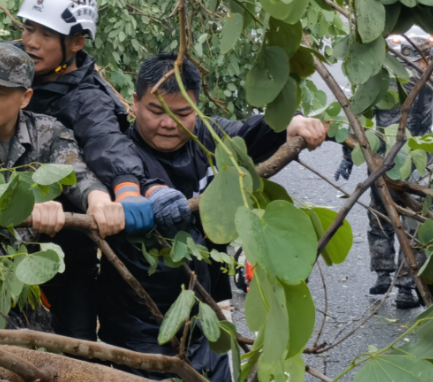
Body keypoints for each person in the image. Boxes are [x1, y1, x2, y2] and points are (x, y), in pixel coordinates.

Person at [0, 0, 171, 338]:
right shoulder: (9, 63)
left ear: (76, 42)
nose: (31, 42)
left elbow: (101, 150)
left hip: (61, 256)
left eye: (46, 34)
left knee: (73, 350)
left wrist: (123, 193)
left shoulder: (86, 99)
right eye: (28, 28)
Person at [96, 53, 327, 380]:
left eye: (182, 113)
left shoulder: (209, 138)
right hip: (136, 323)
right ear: (135, 102)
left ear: (198, 109)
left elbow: (252, 133)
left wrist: (294, 122)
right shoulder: (117, 152)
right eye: (156, 110)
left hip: (208, 311)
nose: (168, 123)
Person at [0, 42, 124, 338]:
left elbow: (75, 171)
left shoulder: (47, 131)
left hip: (37, 284)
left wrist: (98, 201)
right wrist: (24, 212)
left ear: (25, 97)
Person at [334, 35, 433, 309]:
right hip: (417, 161)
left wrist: (347, 158)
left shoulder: (378, 79)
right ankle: (405, 287)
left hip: (380, 161)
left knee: (380, 219)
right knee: (412, 223)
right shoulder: (425, 78)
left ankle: (382, 275)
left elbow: (360, 122)